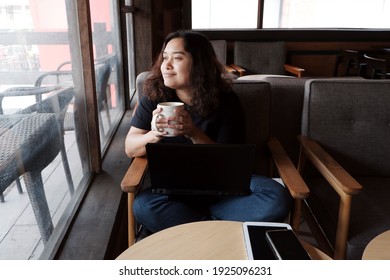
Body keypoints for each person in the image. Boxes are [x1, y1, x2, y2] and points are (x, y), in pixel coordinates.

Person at [125, 30, 291, 234]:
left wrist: (193, 132)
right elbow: (130, 148)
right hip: (174, 191)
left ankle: (195, 230)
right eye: (165, 57)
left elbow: (231, 161)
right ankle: (218, 229)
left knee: (276, 197)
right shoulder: (153, 97)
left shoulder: (226, 101)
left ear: (199, 63)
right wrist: (155, 133)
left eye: (177, 58)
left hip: (225, 191)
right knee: (143, 206)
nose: (166, 65)